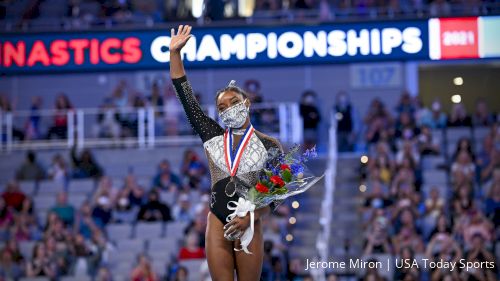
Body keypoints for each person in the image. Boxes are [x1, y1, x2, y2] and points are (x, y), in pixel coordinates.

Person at [170, 24, 282, 281]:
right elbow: (186, 97)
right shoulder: (213, 135)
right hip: (217, 221)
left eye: (234, 102)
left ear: (247, 104)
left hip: (249, 220)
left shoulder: (270, 145)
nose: (228, 108)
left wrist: (251, 218)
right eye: (222, 106)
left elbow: (276, 197)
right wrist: (175, 54)